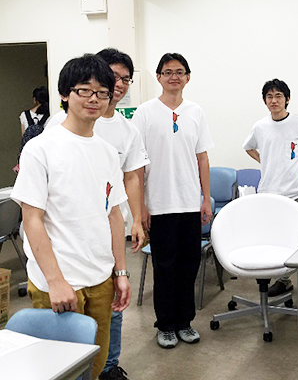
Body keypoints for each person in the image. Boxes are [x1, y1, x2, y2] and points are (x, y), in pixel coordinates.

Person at [10, 54, 131, 380]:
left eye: (103, 92)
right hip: (60, 283)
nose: (95, 99)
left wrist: (120, 272)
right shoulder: (41, 148)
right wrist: (55, 282)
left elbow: (114, 214)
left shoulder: (106, 151)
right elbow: (31, 219)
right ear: (65, 94)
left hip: (101, 279)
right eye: (85, 91)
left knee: (94, 366)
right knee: (60, 371)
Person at [46, 48, 148, 380]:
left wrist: (138, 219)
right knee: (63, 343)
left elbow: (131, 176)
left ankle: (109, 366)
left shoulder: (125, 131)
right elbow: (35, 212)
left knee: (111, 313)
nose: (115, 86)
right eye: (110, 78)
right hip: (65, 253)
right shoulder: (54, 131)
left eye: (121, 80)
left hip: (104, 239)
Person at [131, 53, 213, 349]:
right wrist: (141, 207)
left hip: (190, 203)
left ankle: (185, 321)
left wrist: (206, 198)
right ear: (158, 77)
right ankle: (165, 324)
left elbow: (202, 157)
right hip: (159, 205)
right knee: (164, 267)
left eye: (179, 72)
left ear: (187, 77)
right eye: (168, 72)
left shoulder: (196, 112)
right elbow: (136, 165)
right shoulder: (145, 112)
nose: (174, 77)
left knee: (189, 265)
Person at [243, 78, 298, 297]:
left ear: (287, 99)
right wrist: (264, 161)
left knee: (295, 239)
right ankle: (278, 278)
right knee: (271, 237)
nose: (274, 100)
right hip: (267, 191)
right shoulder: (260, 126)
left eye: (278, 96)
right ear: (265, 101)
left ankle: (287, 280)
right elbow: (248, 147)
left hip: (293, 192)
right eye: (269, 97)